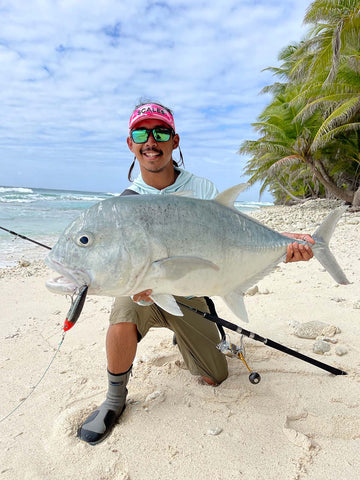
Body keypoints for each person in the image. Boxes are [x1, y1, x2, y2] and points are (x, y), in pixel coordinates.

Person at [77, 102, 314, 445]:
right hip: (144, 294)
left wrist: (283, 247)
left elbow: (234, 236)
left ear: (174, 141)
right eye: (141, 133)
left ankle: (183, 336)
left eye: (160, 132)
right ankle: (114, 400)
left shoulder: (201, 190)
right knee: (122, 313)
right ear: (130, 143)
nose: (151, 141)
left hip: (191, 296)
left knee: (215, 376)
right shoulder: (125, 205)